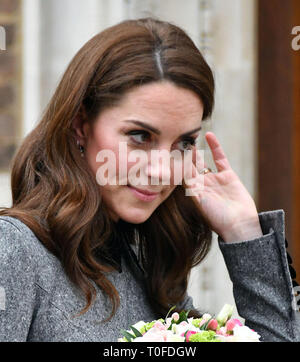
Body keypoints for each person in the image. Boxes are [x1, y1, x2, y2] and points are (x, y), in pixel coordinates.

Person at [0, 17, 299, 342]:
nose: (161, 170)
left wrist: (243, 233)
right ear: (80, 125)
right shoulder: (15, 251)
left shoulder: (148, 267)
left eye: (183, 143)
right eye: (140, 136)